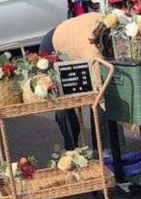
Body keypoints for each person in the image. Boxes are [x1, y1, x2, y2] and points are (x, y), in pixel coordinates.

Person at [38, 12, 103, 150]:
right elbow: (100, 86)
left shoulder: (106, 22)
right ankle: (72, 149)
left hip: (74, 44)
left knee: (98, 97)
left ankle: (103, 147)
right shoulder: (90, 47)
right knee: (63, 102)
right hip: (53, 48)